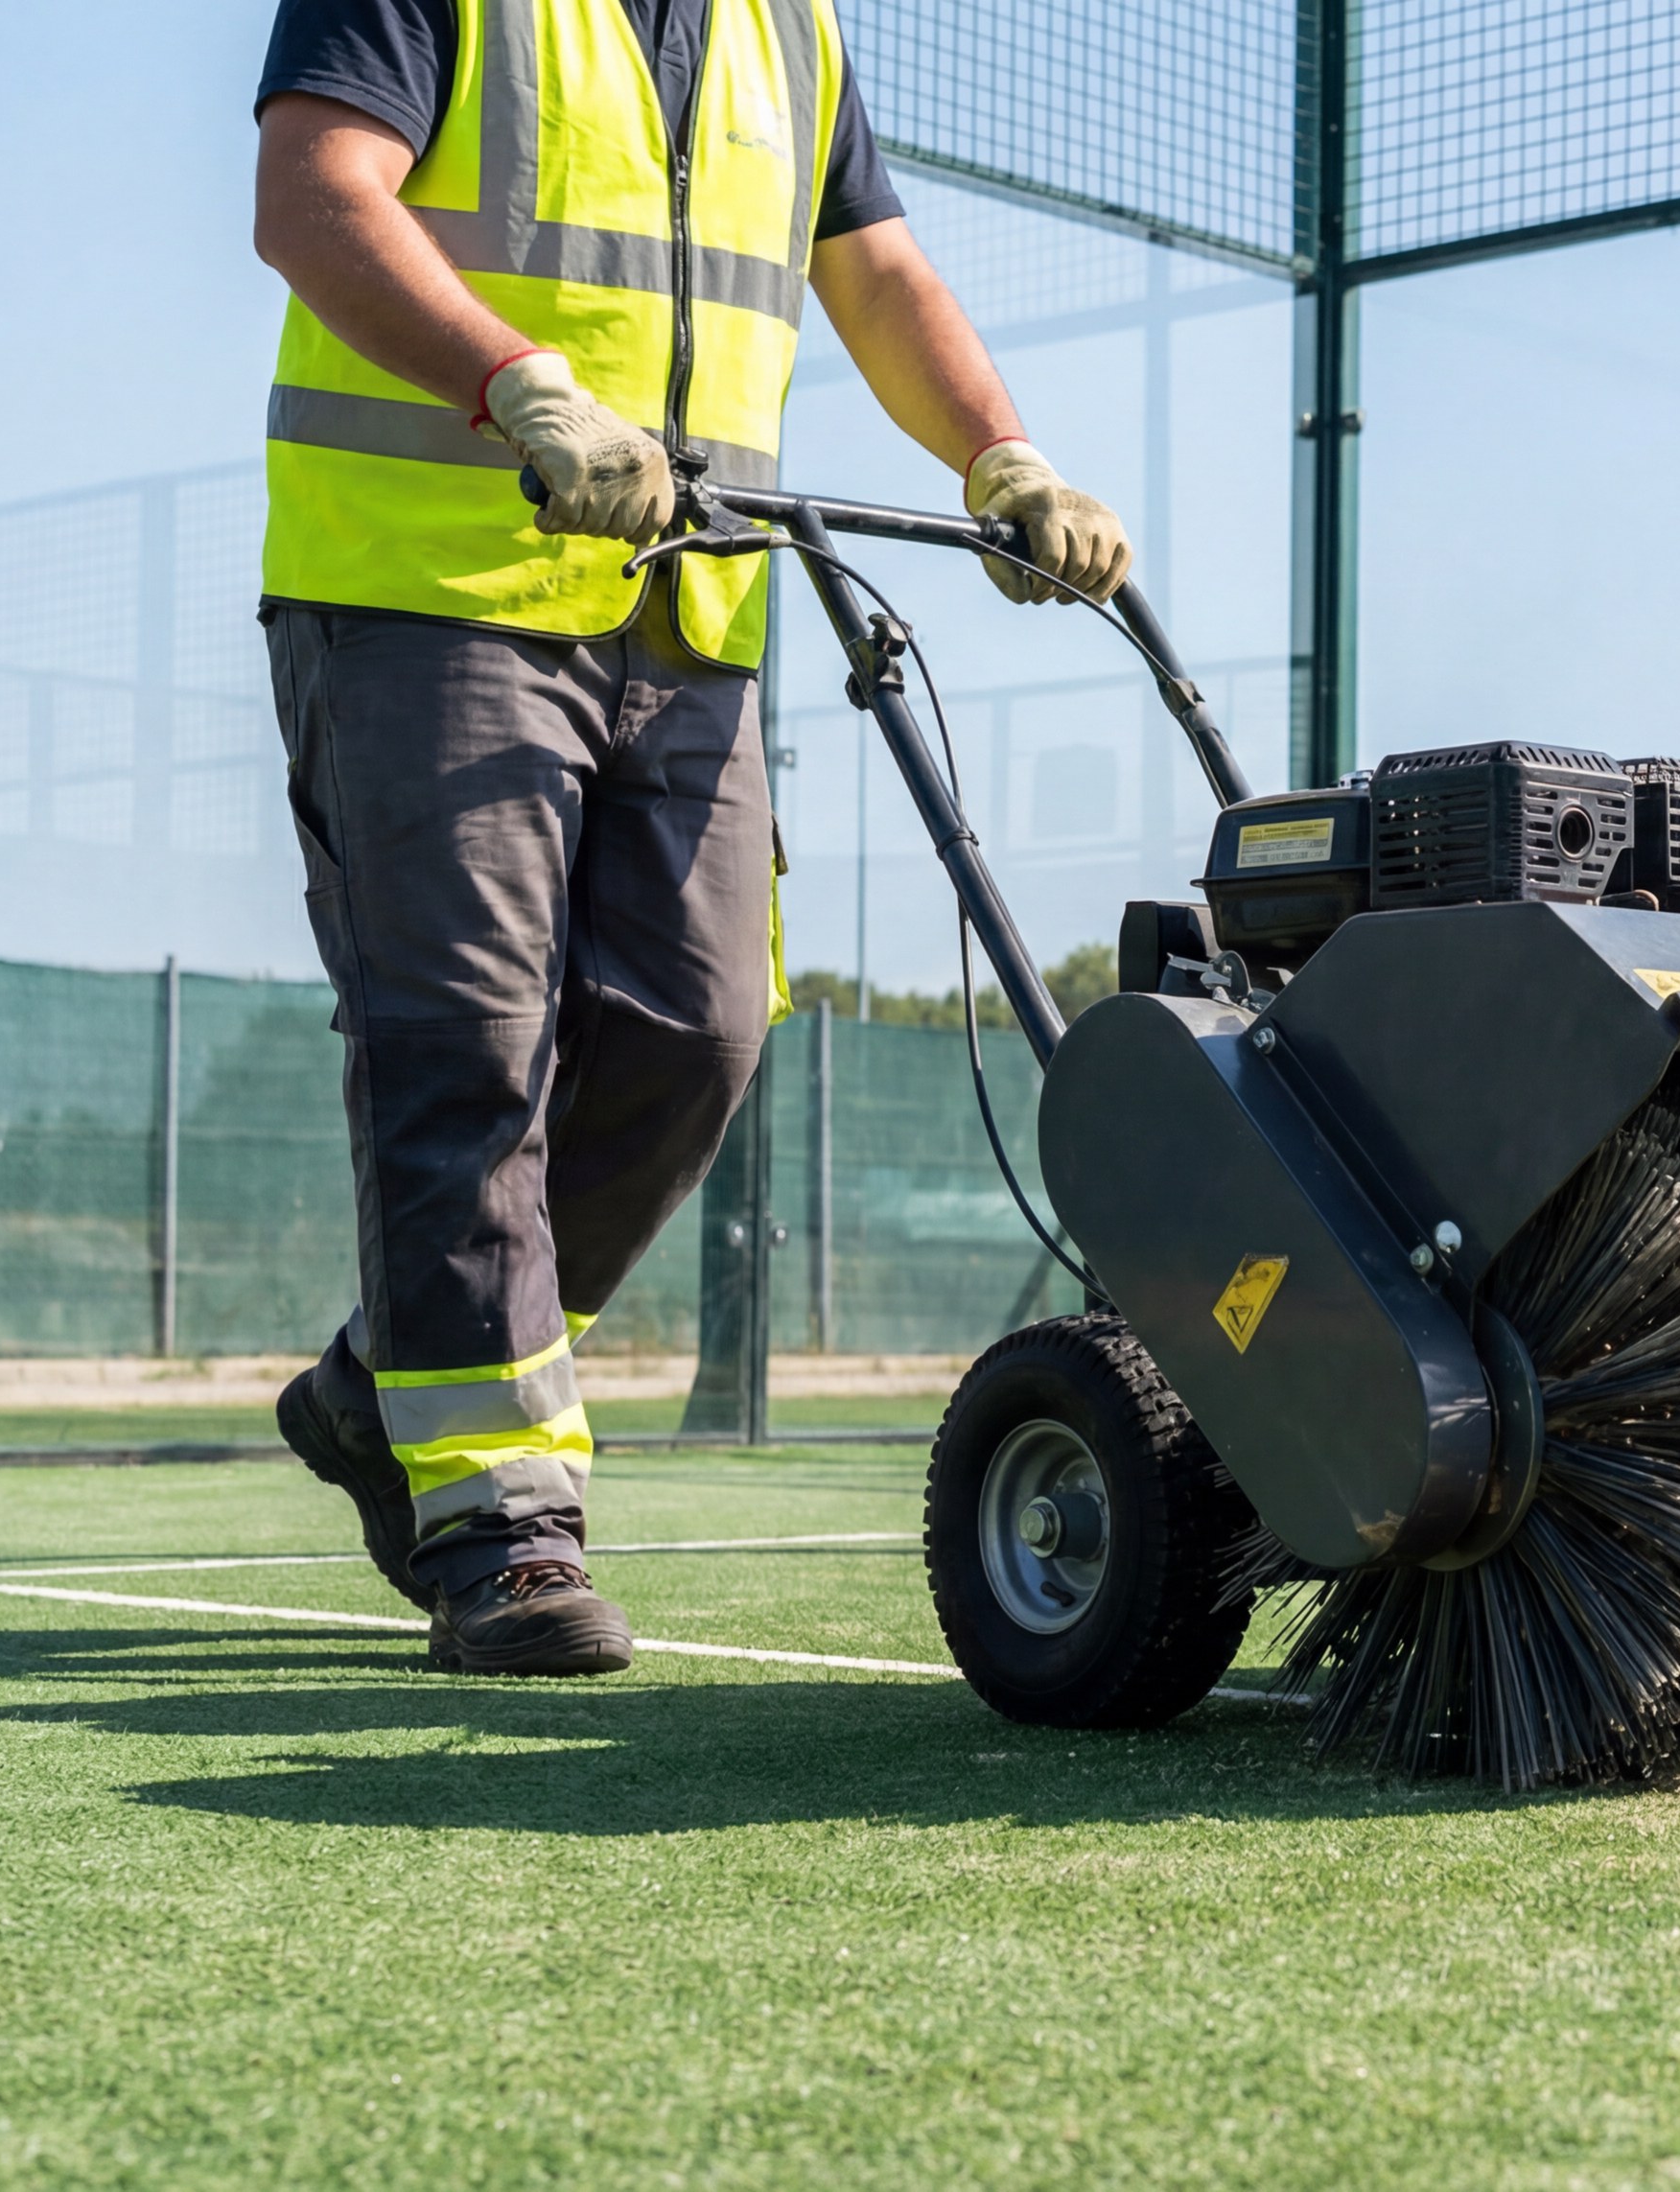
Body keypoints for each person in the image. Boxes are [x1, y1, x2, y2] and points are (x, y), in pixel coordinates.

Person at [250, 0, 1128, 1676]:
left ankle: (389, 1383)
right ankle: (498, 1527)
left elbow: (873, 274)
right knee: (469, 1044)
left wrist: (1000, 456)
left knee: (700, 1029)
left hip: (686, 611)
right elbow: (314, 198)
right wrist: (519, 389)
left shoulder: (784, 33)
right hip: (426, 587)